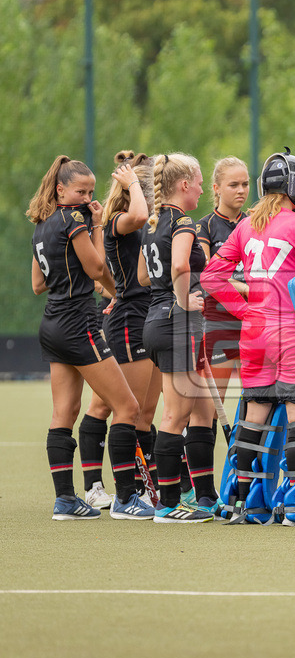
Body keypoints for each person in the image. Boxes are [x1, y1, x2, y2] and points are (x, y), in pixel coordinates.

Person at [202, 149, 295, 520]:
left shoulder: (246, 226)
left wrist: (245, 311)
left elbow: (211, 277)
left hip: (255, 334)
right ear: (294, 187)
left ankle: (240, 502)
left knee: (255, 416)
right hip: (294, 333)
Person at [28, 155, 148, 520]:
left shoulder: (43, 223)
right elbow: (97, 267)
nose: (86, 197)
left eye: (91, 191)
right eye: (80, 191)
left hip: (52, 324)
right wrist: (115, 292)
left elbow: (37, 285)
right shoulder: (72, 219)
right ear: (61, 189)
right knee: (128, 408)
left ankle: (65, 500)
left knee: (64, 412)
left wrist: (93, 226)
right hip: (79, 323)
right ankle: (126, 499)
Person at [140, 153, 217, 523]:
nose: (202, 189)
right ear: (184, 185)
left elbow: (142, 277)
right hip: (176, 322)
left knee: (202, 412)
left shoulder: (153, 224)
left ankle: (206, 497)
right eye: (200, 183)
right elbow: (181, 265)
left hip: (157, 320)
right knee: (176, 415)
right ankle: (168, 504)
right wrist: (185, 298)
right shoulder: (182, 221)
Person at [99, 151, 163, 500]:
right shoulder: (121, 220)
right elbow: (138, 213)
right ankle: (126, 495)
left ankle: (146, 489)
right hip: (129, 319)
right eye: (154, 186)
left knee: (147, 414)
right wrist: (134, 182)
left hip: (152, 316)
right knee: (131, 410)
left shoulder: (153, 224)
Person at [197, 157, 250, 408]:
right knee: (211, 408)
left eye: (245, 184)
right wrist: (246, 287)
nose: (241, 190)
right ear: (216, 188)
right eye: (233, 185)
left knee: (258, 402)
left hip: (255, 321)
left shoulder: (255, 223)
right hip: (219, 321)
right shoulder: (204, 227)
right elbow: (209, 276)